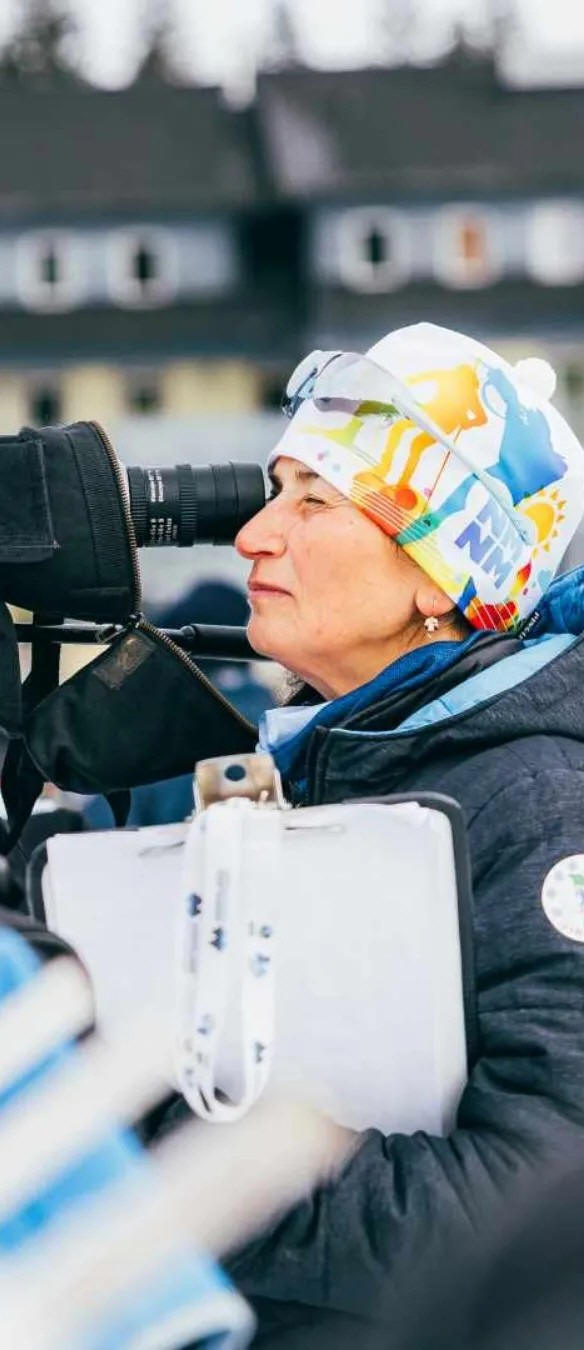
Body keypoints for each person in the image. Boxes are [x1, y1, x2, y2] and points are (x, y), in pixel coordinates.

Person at [220, 323, 584, 1346]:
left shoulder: (540, 808)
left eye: (315, 501)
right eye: (275, 490)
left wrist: (194, 1166)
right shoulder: (344, 758)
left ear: (445, 572)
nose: (254, 535)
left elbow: (531, 1210)